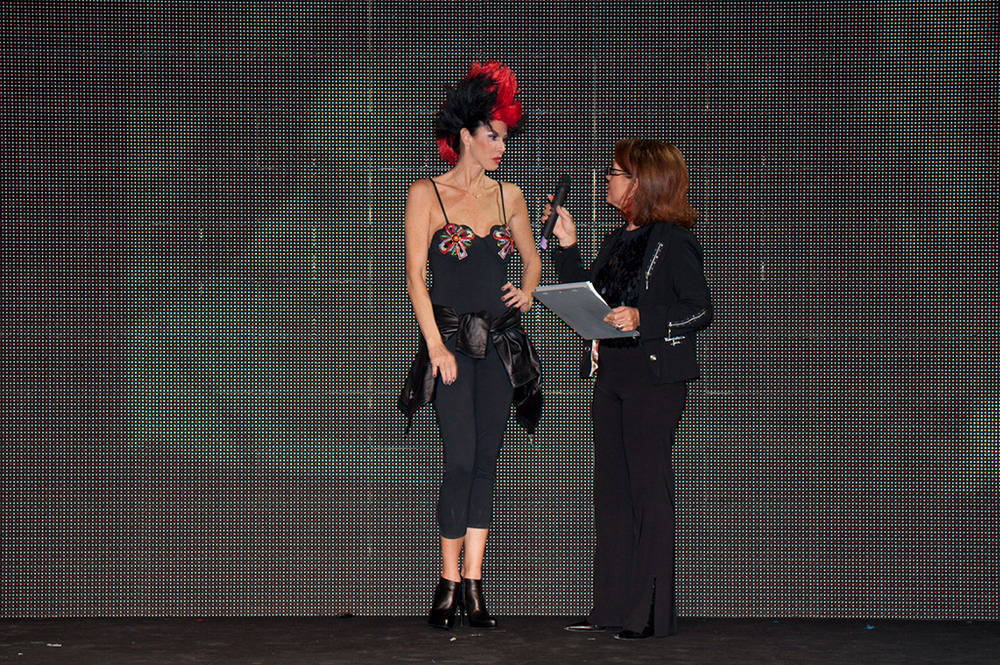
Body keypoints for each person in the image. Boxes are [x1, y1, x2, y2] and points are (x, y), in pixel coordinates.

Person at [546, 139, 712, 639]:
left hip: (653, 378)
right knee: (613, 493)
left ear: (642, 182)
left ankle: (650, 614)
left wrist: (644, 318)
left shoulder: (673, 240)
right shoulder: (618, 239)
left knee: (647, 490)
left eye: (616, 173)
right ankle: (613, 608)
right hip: (613, 374)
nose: (608, 180)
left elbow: (699, 309)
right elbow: (593, 299)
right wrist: (568, 246)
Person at [398, 61, 542, 631]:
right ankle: (448, 581)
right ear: (466, 135)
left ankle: (475, 586)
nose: (502, 147)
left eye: (505, 138)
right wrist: (436, 348)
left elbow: (531, 259)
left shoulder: (511, 196)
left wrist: (527, 291)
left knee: (485, 460)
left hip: (502, 346)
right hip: (453, 344)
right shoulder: (427, 193)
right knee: (458, 460)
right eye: (493, 136)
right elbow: (415, 277)